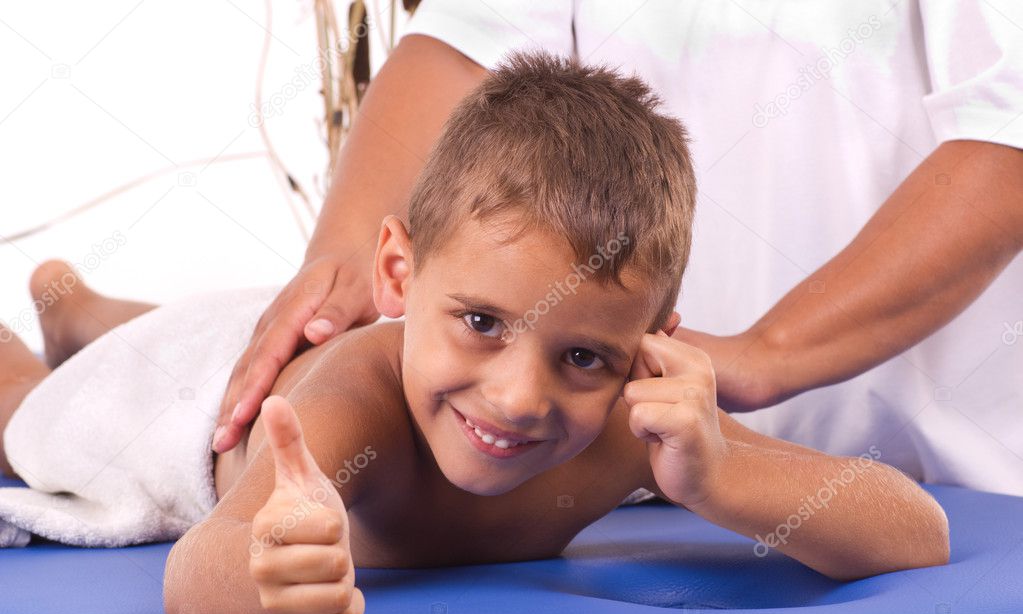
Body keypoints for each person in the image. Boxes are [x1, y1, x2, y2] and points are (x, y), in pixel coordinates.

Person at [0, 55, 947, 614]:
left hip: (248, 335)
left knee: (160, 326)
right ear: (396, 276)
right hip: (186, 397)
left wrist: (716, 479)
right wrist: (265, 573)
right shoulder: (356, 410)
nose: (517, 398)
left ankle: (77, 304)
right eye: (484, 324)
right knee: (32, 421)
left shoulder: (638, 430)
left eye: (582, 357)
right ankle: (56, 315)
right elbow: (198, 572)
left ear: (654, 346)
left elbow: (915, 531)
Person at [212, 2, 1023, 496]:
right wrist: (345, 259)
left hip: (929, 461)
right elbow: (465, 42)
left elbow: (1007, 133)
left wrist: (765, 354)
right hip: (623, 438)